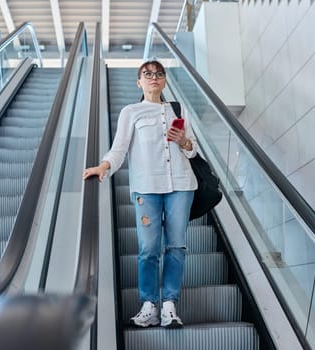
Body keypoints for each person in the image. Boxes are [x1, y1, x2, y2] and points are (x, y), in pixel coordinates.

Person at [83, 60, 198, 328]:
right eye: (147, 74)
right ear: (139, 82)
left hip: (181, 185)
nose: (153, 78)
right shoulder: (131, 112)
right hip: (146, 188)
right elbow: (119, 149)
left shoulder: (178, 110)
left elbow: (193, 152)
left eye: (159, 74)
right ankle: (149, 305)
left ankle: (170, 304)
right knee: (148, 249)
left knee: (177, 246)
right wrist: (104, 166)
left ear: (165, 80)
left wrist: (183, 141)